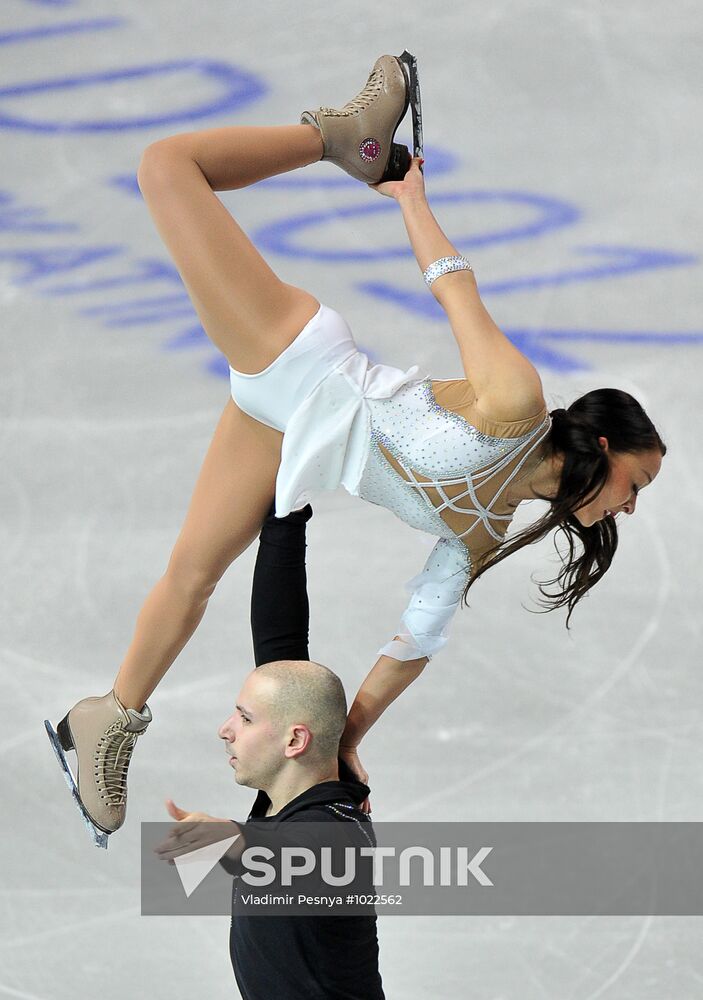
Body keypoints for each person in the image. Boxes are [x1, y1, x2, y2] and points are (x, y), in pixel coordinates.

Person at [45, 52, 666, 844]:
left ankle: (107, 719)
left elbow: (413, 640)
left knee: (192, 574)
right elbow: (451, 283)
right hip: (299, 359)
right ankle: (339, 133)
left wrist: (343, 743)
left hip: (286, 432)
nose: (631, 504)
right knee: (168, 166)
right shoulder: (515, 404)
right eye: (636, 480)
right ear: (605, 444)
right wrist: (407, 194)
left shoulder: (478, 538)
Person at [155, 502, 385, 1000]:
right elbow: (280, 638)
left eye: (244, 717)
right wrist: (286, 514)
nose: (225, 730)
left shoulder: (338, 829)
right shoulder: (295, 787)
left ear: (295, 741)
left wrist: (227, 839)